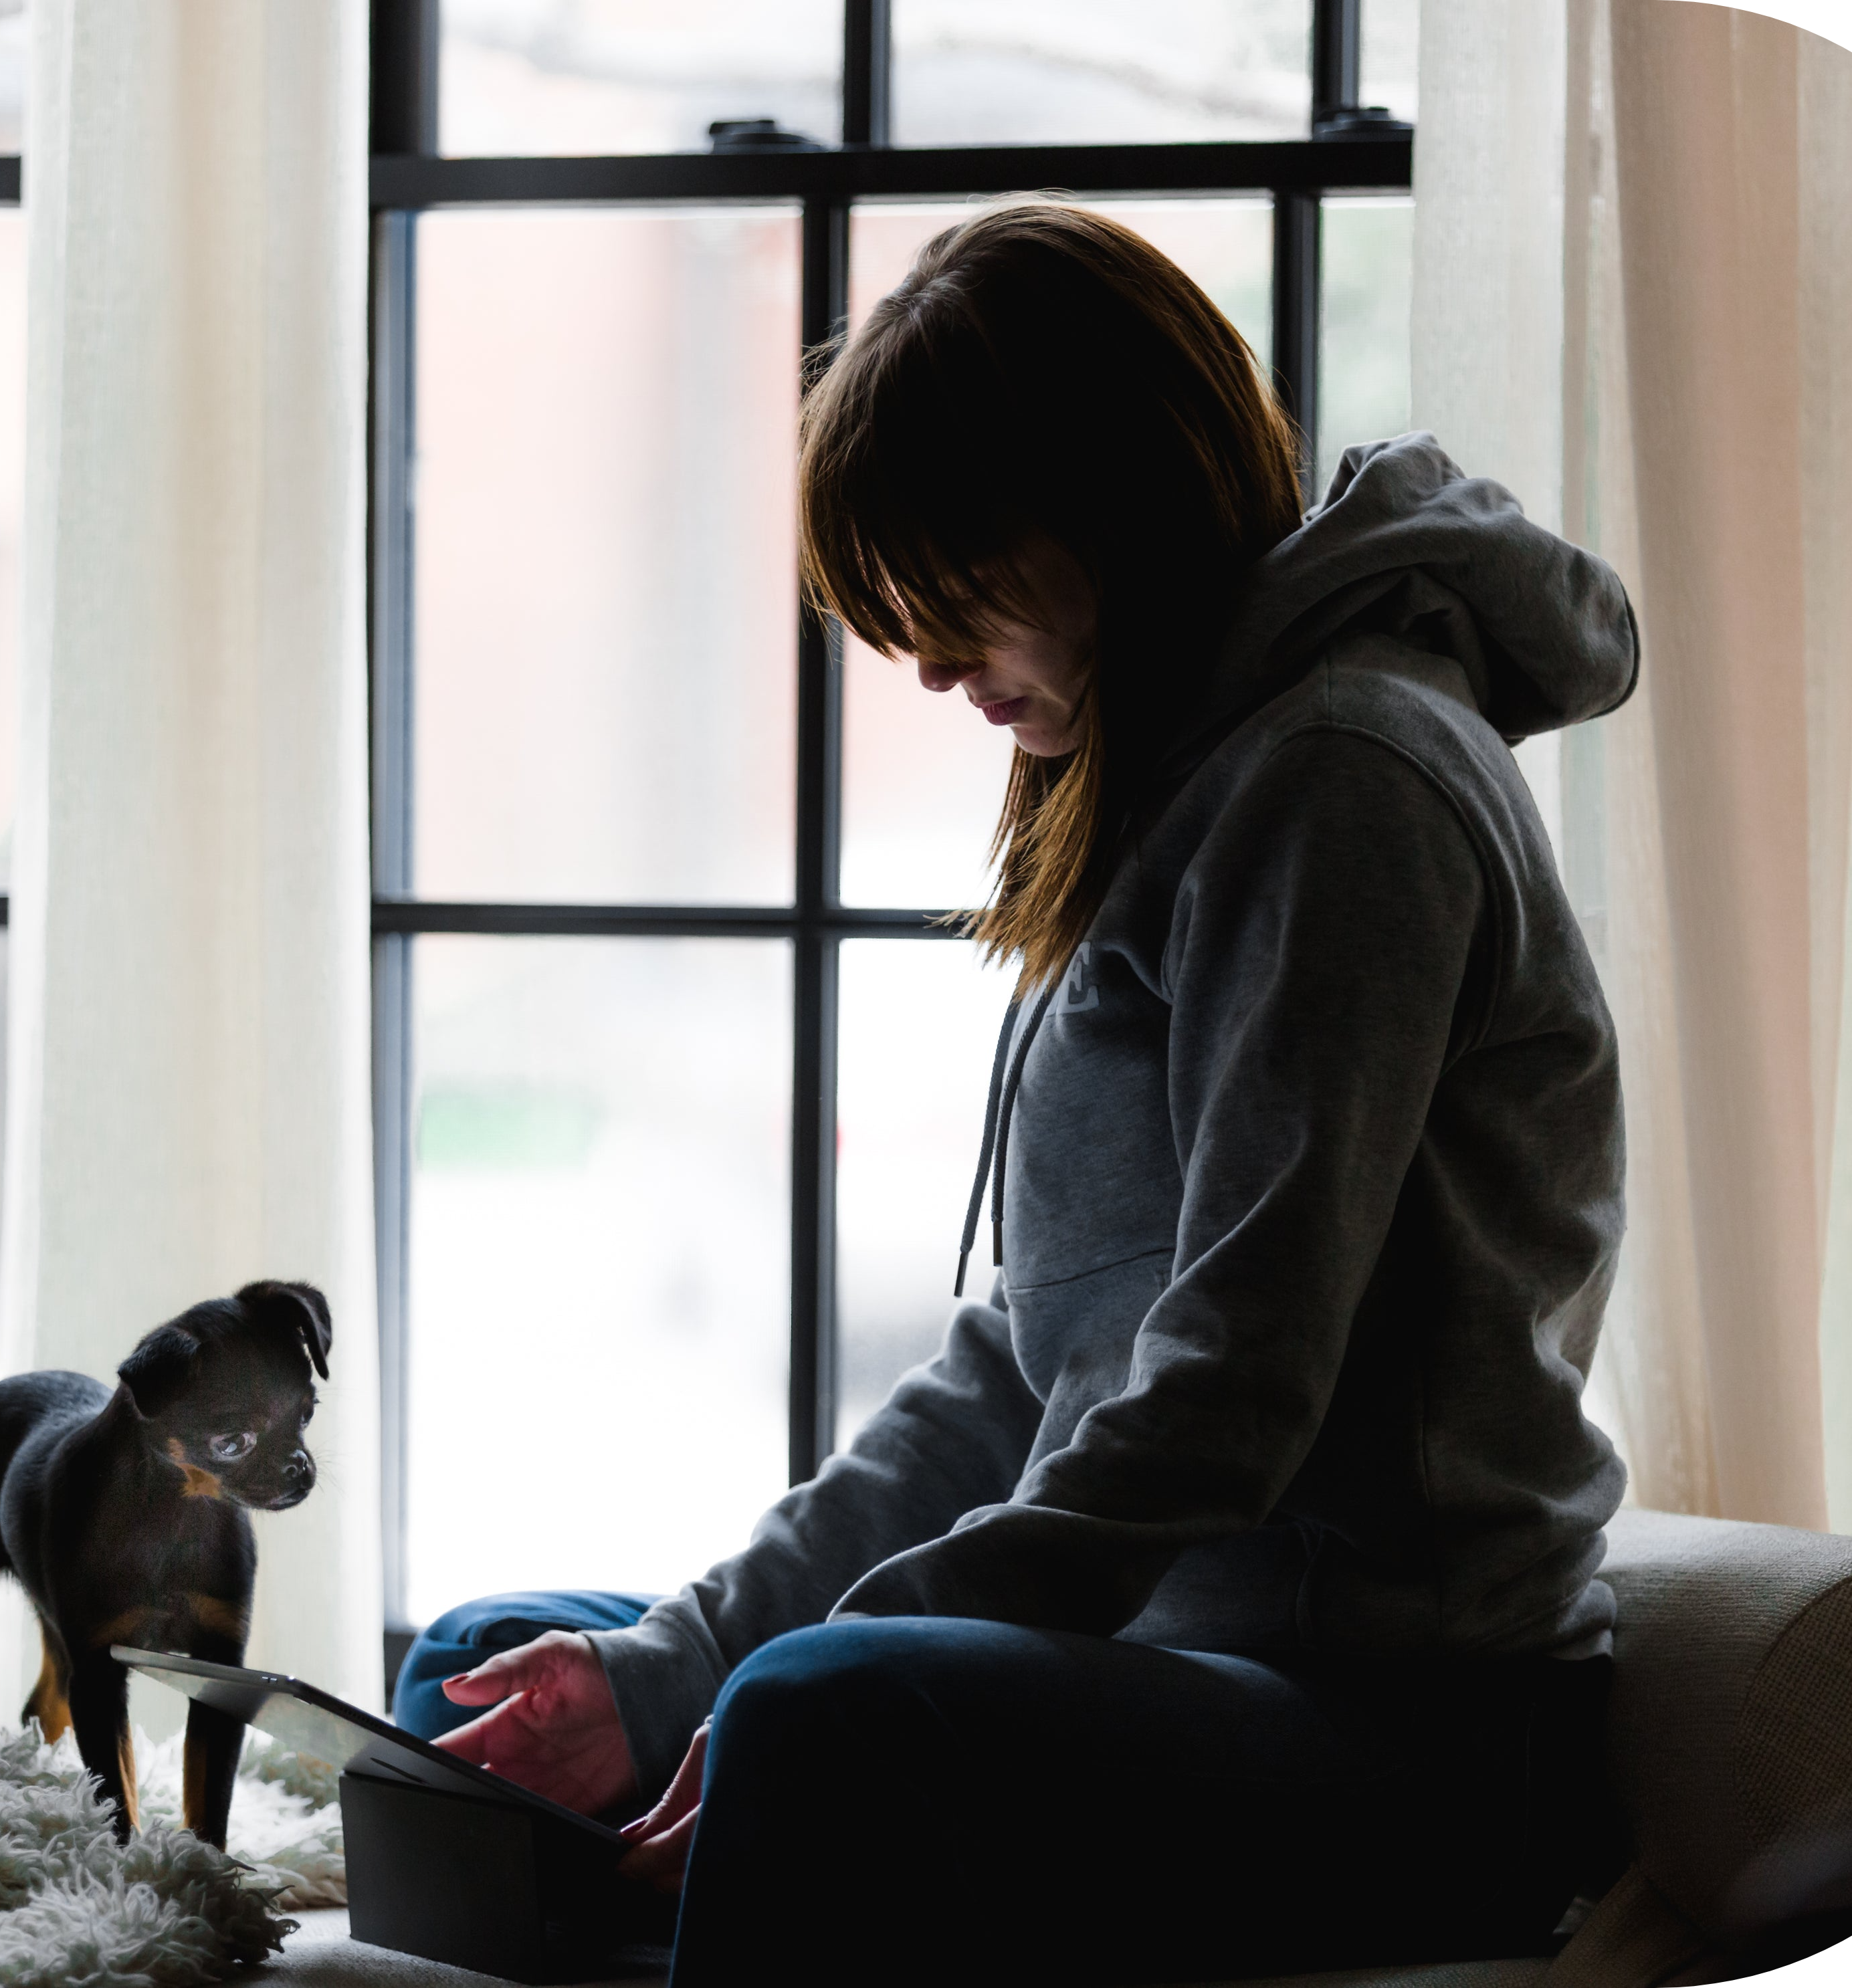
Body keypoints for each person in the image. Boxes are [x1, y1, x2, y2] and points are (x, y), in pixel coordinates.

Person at [391, 202, 1639, 1984]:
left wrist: (773, 1682)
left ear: (1108, 505)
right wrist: (677, 1660)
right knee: (493, 1668)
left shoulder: (1343, 784)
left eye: (953, 578)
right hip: (1181, 1658)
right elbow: (1019, 1366)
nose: (916, 656)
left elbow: (1232, 1390)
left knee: (825, 1709)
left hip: (1416, 1738)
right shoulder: (1191, 781)